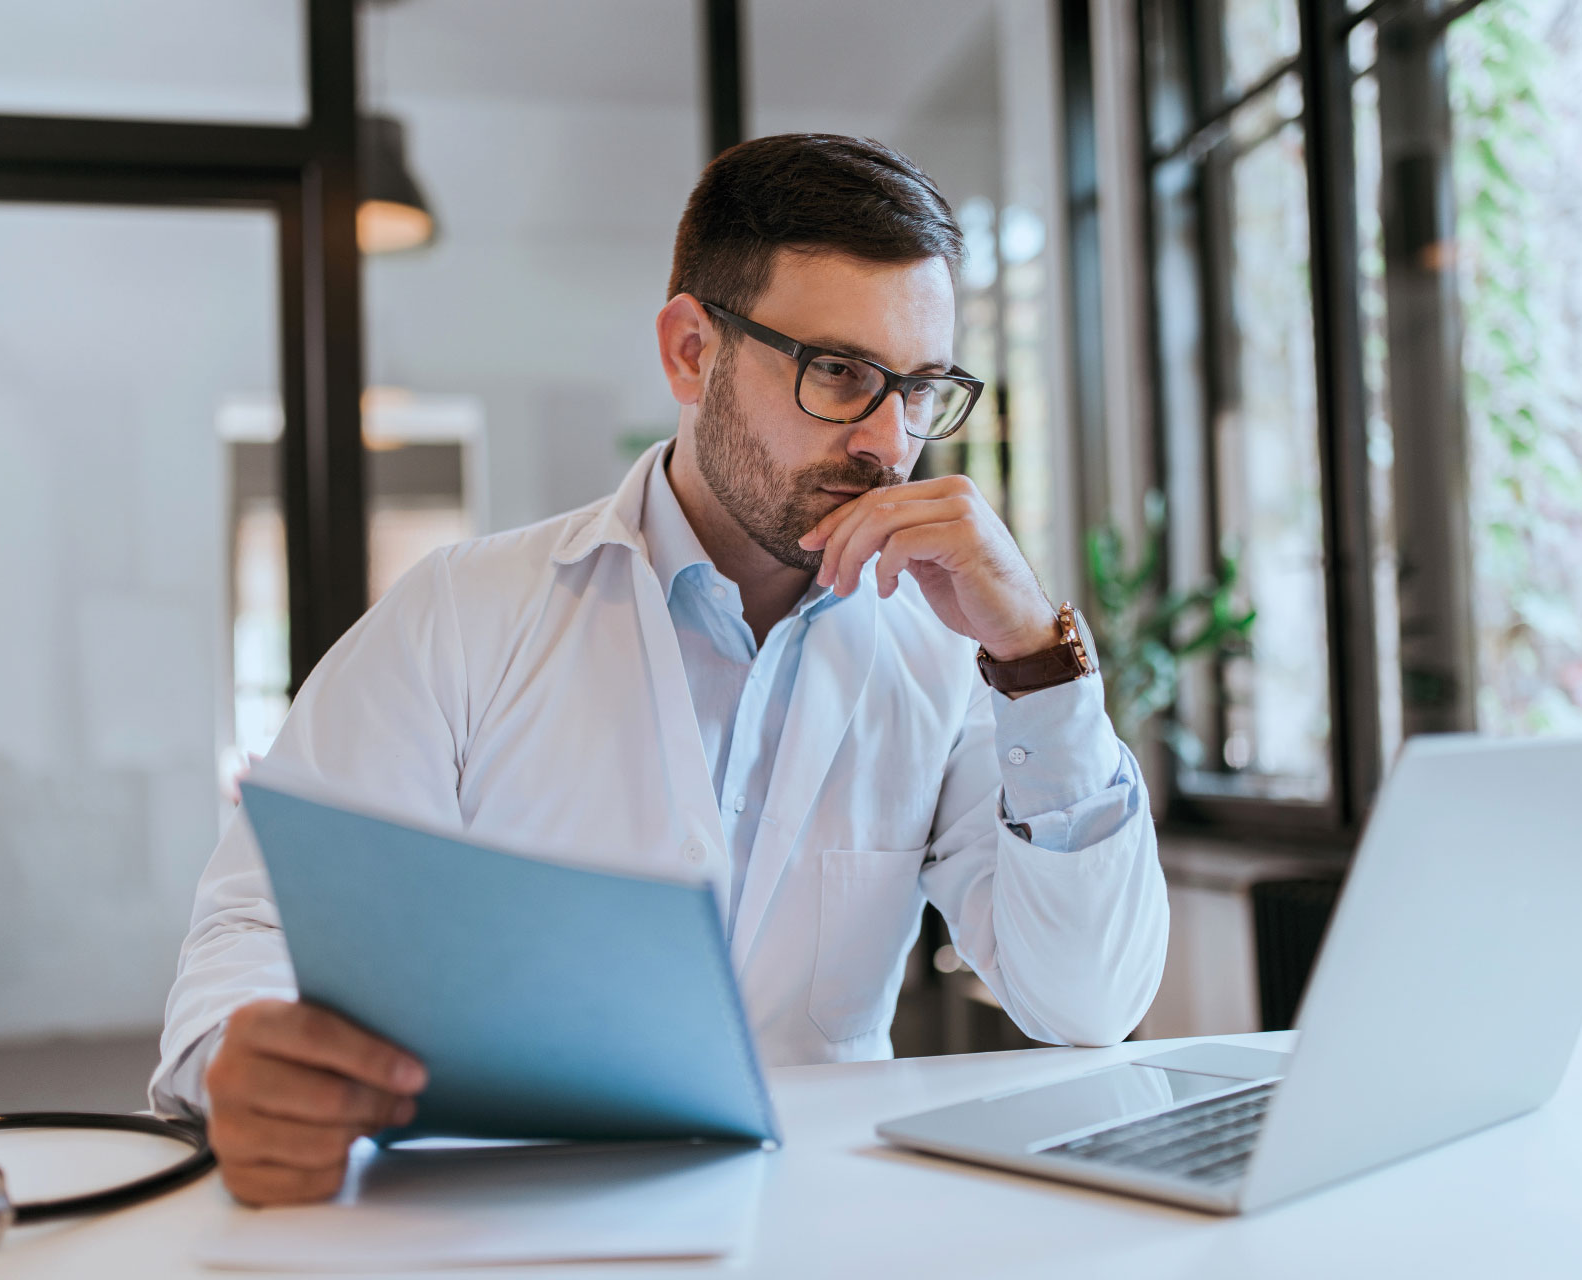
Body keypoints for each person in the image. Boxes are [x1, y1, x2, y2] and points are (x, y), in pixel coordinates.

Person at [151, 133, 1168, 1206]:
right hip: (516, 1220)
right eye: (838, 373)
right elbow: (257, 921)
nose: (888, 440)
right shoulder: (459, 615)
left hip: (828, 1230)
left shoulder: (947, 657)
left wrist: (1033, 660)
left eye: (919, 389)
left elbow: (1088, 1001)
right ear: (691, 350)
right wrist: (242, 1055)